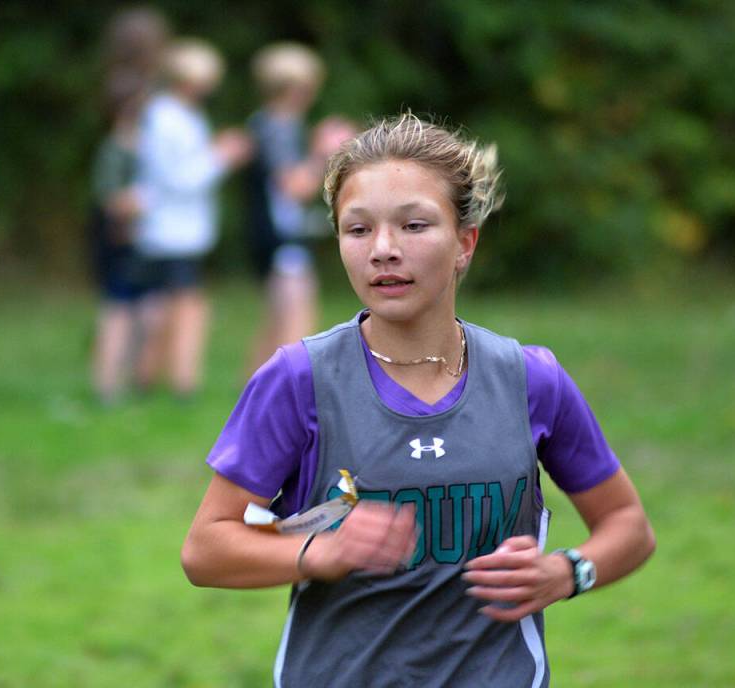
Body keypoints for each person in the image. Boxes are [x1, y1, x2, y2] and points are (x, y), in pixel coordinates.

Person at [181, 113, 655, 686]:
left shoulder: (531, 380)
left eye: (414, 226)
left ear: (465, 243)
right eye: (358, 230)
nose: (383, 249)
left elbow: (628, 525)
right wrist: (315, 552)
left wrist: (567, 572)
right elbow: (205, 550)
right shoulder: (298, 379)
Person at [135, 38, 252, 397]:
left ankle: (150, 380)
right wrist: (222, 156)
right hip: (169, 230)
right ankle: (182, 383)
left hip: (183, 230)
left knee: (167, 308)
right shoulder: (164, 118)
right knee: (184, 308)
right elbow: (177, 179)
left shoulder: (184, 115)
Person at [244, 43, 354, 372]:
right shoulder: (277, 126)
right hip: (280, 237)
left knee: (278, 317)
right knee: (295, 317)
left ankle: (254, 388)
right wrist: (324, 151)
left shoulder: (272, 123)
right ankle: (287, 389)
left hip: (275, 234)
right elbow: (294, 187)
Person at [87, 8, 169, 404]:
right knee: (120, 308)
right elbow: (111, 197)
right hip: (124, 235)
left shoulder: (129, 90)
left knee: (146, 309)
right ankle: (107, 384)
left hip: (143, 234)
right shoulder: (119, 145)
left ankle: (137, 380)